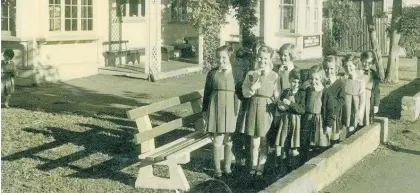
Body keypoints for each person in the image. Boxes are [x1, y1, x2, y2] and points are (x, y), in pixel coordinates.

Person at [242, 45, 279, 176]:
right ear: (257, 58)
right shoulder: (251, 74)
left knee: (264, 139)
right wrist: (252, 88)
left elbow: (276, 95)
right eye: (260, 58)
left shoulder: (274, 75)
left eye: (265, 59)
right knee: (254, 140)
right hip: (254, 107)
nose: (262, 61)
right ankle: (253, 165)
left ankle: (261, 166)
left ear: (270, 60)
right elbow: (244, 91)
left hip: (266, 109)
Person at [202, 45, 239, 178]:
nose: (221, 60)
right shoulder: (212, 73)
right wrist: (205, 111)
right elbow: (207, 93)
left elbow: (240, 91)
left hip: (230, 107)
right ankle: (217, 170)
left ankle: (228, 167)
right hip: (216, 107)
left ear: (230, 57)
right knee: (217, 139)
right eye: (218, 57)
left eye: (224, 57)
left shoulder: (235, 72)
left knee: (229, 139)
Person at [275, 68, 306, 161]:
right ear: (289, 80)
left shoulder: (301, 93)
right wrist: (280, 107)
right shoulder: (285, 91)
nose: (296, 85)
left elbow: (302, 110)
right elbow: (280, 104)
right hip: (285, 120)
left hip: (296, 122)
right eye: (293, 82)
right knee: (283, 144)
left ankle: (293, 167)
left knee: (294, 145)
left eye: (298, 82)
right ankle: (281, 167)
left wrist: (290, 104)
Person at [301, 65, 329, 164]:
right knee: (306, 141)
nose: (313, 81)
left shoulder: (325, 91)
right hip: (308, 118)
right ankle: (305, 163)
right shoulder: (308, 90)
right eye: (311, 78)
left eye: (316, 79)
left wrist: (327, 124)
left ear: (321, 78)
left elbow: (327, 109)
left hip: (319, 120)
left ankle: (319, 163)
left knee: (319, 142)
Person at [322, 56, 346, 143]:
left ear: (336, 69)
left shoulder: (340, 84)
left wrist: (331, 103)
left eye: (331, 68)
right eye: (326, 69)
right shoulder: (322, 83)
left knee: (333, 136)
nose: (329, 71)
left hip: (334, 114)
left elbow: (342, 100)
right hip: (324, 113)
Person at [340, 54, 365, 136]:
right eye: (346, 66)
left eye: (350, 66)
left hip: (354, 107)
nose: (348, 68)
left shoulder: (360, 79)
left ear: (355, 66)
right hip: (345, 107)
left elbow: (362, 97)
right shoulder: (343, 79)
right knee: (345, 125)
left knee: (352, 126)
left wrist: (361, 111)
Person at [359, 50, 380, 127]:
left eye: (369, 63)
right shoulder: (357, 72)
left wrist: (376, 105)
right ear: (361, 60)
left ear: (372, 63)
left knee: (367, 121)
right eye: (364, 62)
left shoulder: (374, 75)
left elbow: (377, 91)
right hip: (357, 100)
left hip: (368, 101)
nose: (366, 64)